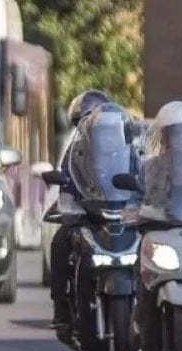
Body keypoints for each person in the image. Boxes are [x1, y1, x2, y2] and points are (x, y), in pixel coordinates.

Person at [49, 89, 111, 336]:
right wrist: (68, 202)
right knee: (60, 243)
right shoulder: (75, 149)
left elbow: (139, 175)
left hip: (117, 217)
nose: (91, 125)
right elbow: (66, 179)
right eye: (85, 121)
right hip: (86, 217)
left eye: (95, 119)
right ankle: (61, 307)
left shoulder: (125, 148)